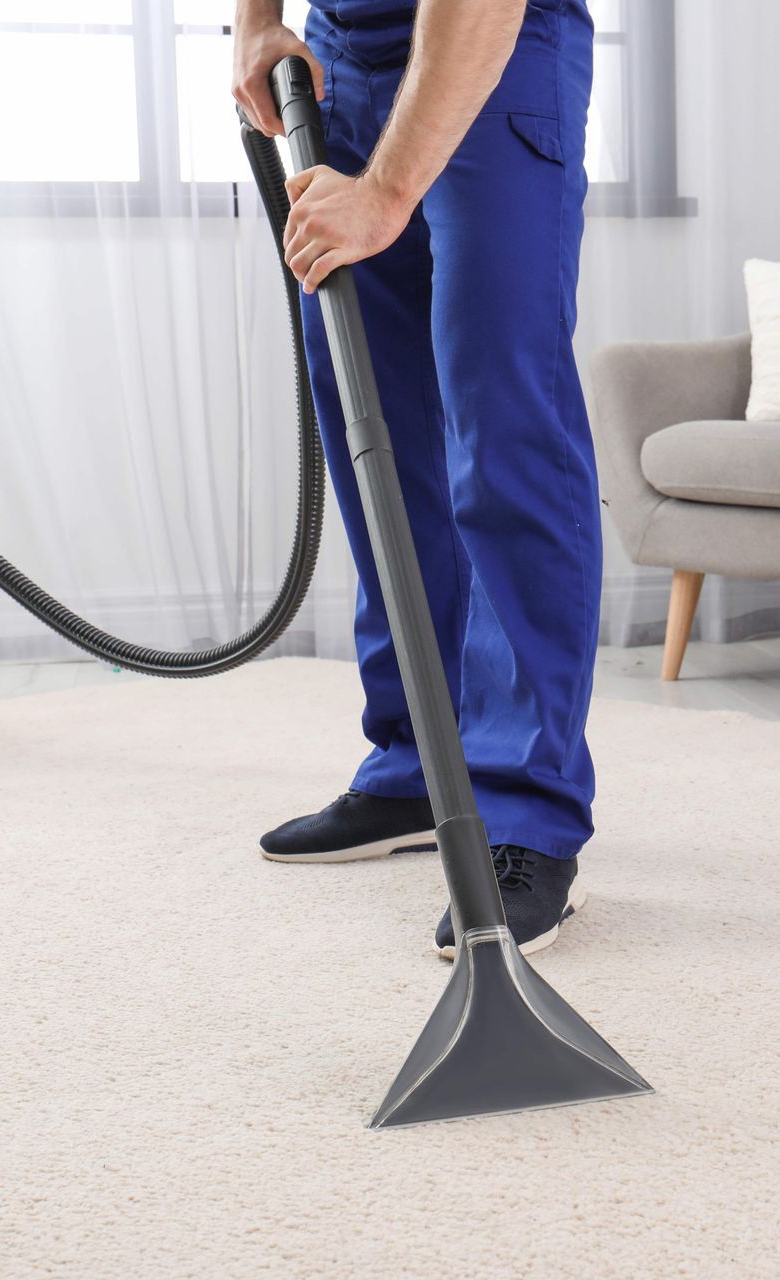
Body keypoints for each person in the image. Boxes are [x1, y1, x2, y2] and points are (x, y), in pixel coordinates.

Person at [233, 0, 601, 959]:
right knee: (372, 423)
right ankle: (416, 766)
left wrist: (386, 192)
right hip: (349, 54)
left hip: (495, 48)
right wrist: (256, 21)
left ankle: (525, 812)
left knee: (503, 417)